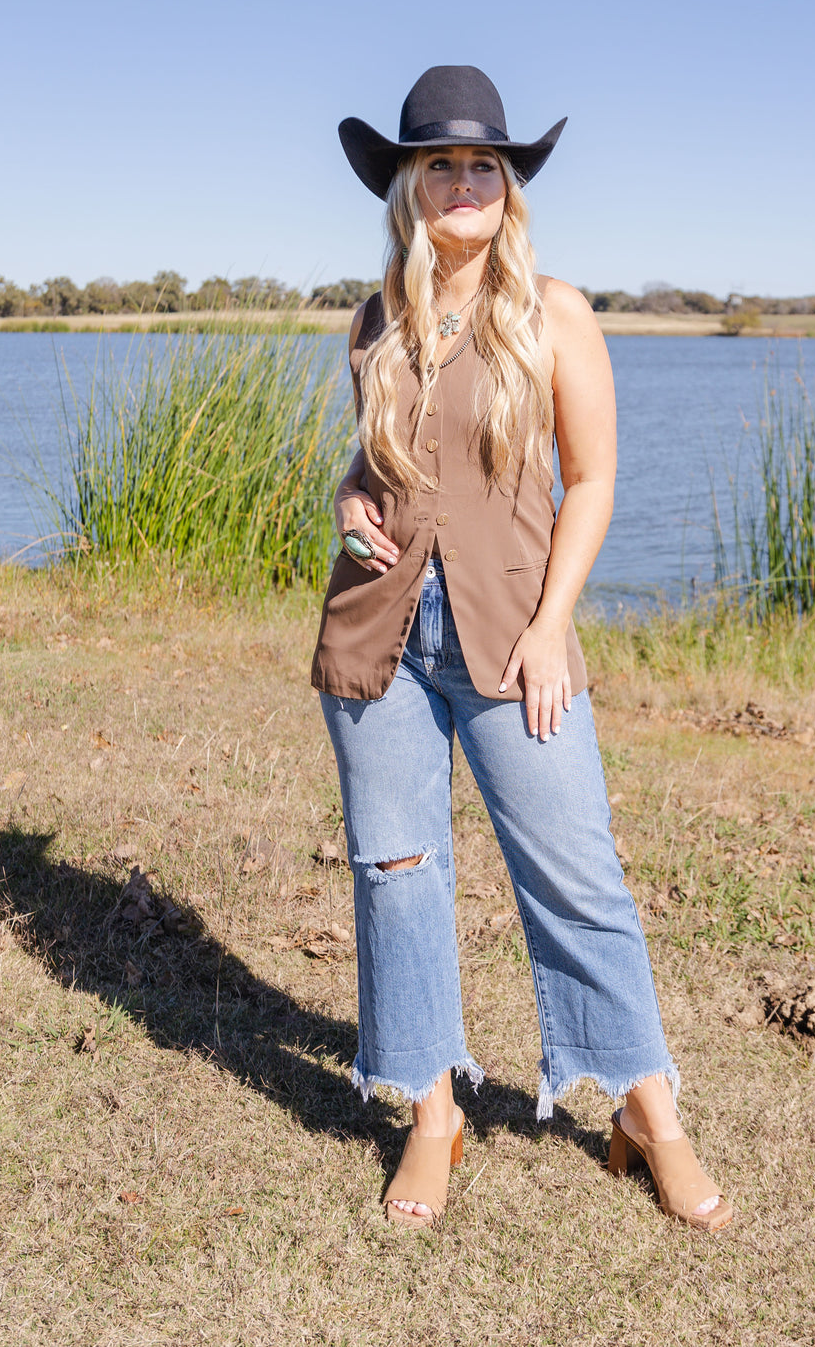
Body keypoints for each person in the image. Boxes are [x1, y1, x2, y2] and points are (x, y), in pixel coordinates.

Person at [311, 66, 731, 1233]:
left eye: (479, 165)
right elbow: (373, 470)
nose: (459, 182)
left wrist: (552, 625)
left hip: (511, 635)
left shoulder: (555, 311)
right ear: (406, 185)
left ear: (506, 186)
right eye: (436, 163)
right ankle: (431, 1115)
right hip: (379, 629)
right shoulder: (373, 320)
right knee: (396, 873)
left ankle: (649, 1113)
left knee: (575, 872)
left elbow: (591, 480)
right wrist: (349, 504)